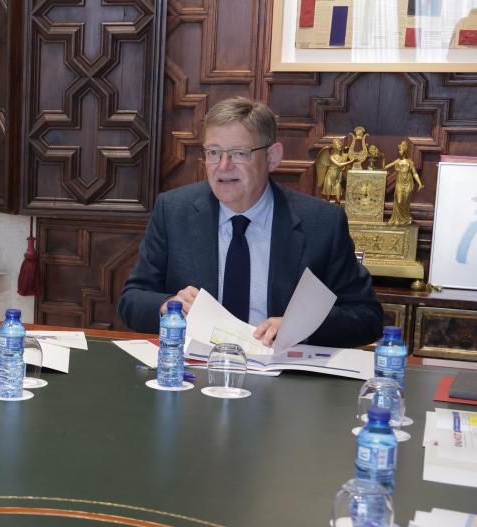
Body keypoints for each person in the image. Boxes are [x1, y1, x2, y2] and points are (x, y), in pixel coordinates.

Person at [118, 97, 382, 348]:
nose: (223, 166)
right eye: (213, 152)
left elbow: (366, 316)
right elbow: (132, 300)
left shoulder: (322, 223)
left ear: (272, 157)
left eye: (239, 153)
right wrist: (168, 305)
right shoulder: (173, 211)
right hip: (196, 370)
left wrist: (300, 327)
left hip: (282, 371)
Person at [385, 140, 423, 225]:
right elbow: (386, 167)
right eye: (399, 150)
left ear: (405, 150)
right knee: (399, 200)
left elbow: (414, 173)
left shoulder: (410, 162)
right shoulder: (397, 161)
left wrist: (420, 183)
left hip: (408, 182)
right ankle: (398, 218)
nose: (400, 152)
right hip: (400, 182)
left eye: (401, 150)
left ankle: (405, 219)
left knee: (406, 201)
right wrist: (383, 161)